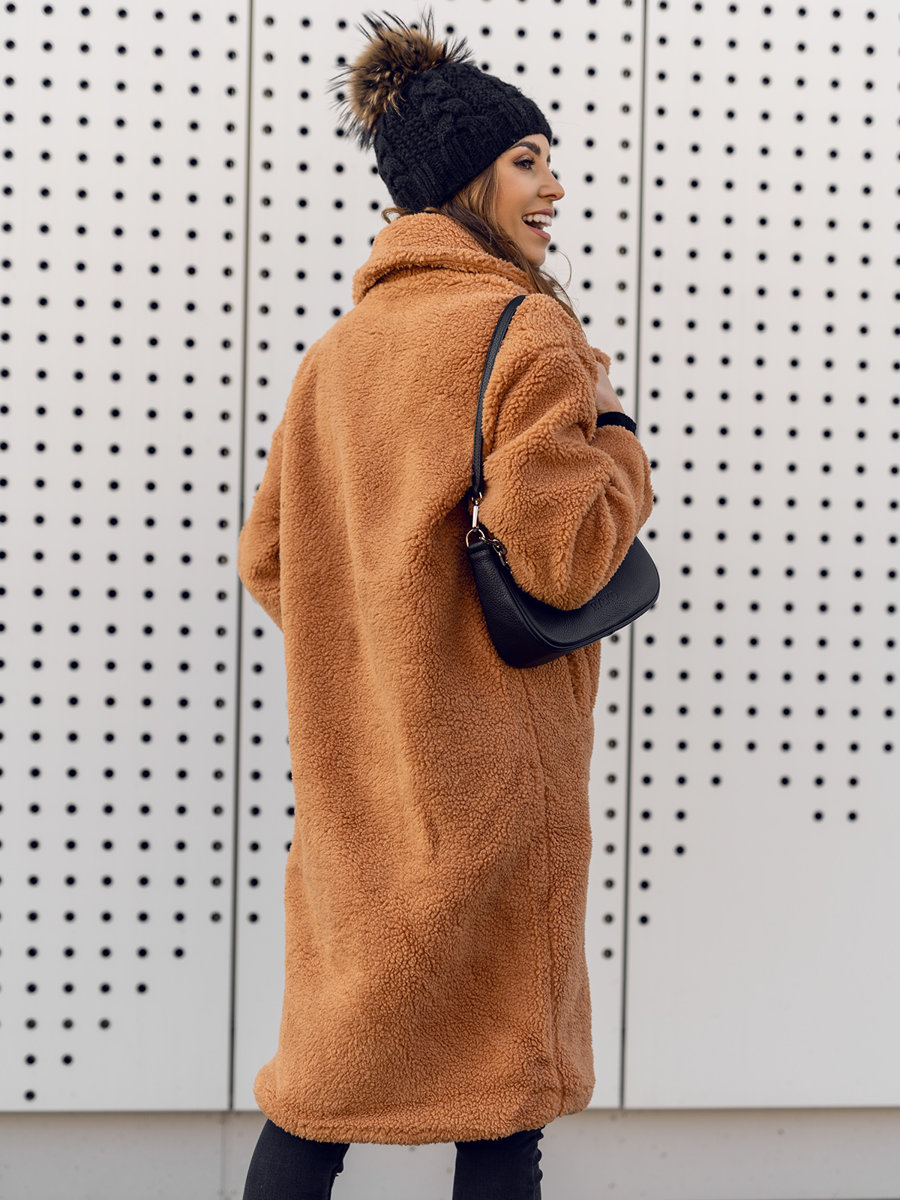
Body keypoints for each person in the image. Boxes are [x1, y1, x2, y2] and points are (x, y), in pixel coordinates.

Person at [237, 8, 654, 1199]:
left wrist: (379, 643)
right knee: (501, 1102)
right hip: (489, 783)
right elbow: (564, 557)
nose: (554, 187)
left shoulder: (338, 352)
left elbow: (269, 557)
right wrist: (617, 437)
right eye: (527, 161)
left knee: (321, 1089)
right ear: (468, 180)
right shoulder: (529, 331)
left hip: (359, 782)